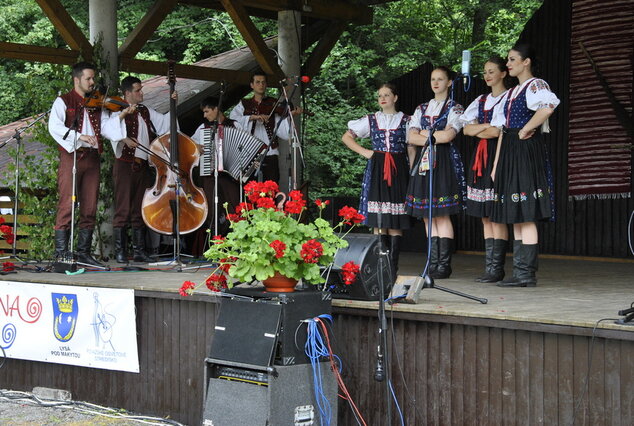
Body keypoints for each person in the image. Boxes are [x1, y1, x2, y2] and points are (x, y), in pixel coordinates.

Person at [489, 44, 559, 287]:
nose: (508, 64)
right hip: (510, 150)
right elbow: (501, 129)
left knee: (526, 211)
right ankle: (520, 272)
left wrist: (527, 128)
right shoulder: (512, 93)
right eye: (508, 60)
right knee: (517, 212)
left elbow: (548, 107)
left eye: (512, 59)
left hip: (525, 150)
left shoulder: (536, 85)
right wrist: (497, 162)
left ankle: (526, 273)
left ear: (526, 62)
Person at [48, 62, 128, 267]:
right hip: (71, 155)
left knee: (90, 206)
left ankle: (83, 252)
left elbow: (107, 128)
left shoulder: (97, 104)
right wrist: (79, 135)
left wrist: (121, 114)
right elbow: (54, 126)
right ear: (77, 80)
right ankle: (61, 254)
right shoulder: (63, 101)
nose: (93, 82)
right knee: (67, 204)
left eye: (93, 79)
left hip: (92, 157)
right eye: (89, 79)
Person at [342, 83, 411, 277]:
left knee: (395, 220)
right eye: (380, 95)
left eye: (387, 95)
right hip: (378, 167)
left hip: (399, 168)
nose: (382, 98)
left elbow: (412, 147)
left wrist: (413, 171)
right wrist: (367, 153)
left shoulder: (407, 120)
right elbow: (347, 137)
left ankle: (393, 268)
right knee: (379, 219)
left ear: (395, 97)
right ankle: (382, 269)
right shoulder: (371, 119)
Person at [405, 66, 466, 279]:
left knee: (442, 213)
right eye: (433, 79)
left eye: (440, 79)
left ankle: (444, 264)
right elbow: (411, 137)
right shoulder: (422, 108)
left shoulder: (455, 108)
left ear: (449, 82)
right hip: (425, 161)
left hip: (444, 161)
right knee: (428, 216)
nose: (436, 83)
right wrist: (431, 136)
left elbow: (449, 135)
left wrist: (425, 134)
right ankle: (432, 262)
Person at [109, 75, 174, 263]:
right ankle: (120, 251)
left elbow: (163, 123)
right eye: (137, 90)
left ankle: (139, 250)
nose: (141, 93)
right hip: (125, 164)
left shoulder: (145, 111)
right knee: (123, 207)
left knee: (140, 207)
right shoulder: (117, 110)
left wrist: (172, 102)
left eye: (141, 89)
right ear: (127, 93)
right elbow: (110, 129)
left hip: (143, 164)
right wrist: (123, 138)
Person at [460, 56, 513, 283]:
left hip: (498, 155)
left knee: (496, 214)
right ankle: (490, 267)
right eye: (485, 72)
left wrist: (481, 130)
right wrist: (485, 128)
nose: (488, 76)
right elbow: (466, 130)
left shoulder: (509, 98)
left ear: (503, 73)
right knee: (484, 215)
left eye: (492, 71)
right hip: (480, 157)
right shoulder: (481, 100)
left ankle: (497, 268)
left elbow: (498, 132)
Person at [229, 72, 301, 183]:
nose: (261, 85)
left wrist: (290, 116)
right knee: (251, 189)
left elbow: (283, 131)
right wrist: (252, 117)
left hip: (270, 152)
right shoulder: (244, 104)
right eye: (257, 82)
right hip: (250, 153)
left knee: (271, 187)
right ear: (252, 85)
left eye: (263, 82)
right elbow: (233, 120)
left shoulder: (273, 104)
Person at [191, 97, 241, 237]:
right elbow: (190, 144)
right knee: (212, 210)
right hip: (210, 175)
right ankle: (215, 243)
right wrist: (197, 147)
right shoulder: (203, 128)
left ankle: (235, 244)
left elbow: (245, 148)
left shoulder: (235, 125)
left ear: (216, 109)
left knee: (233, 208)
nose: (204, 115)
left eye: (207, 111)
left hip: (231, 176)